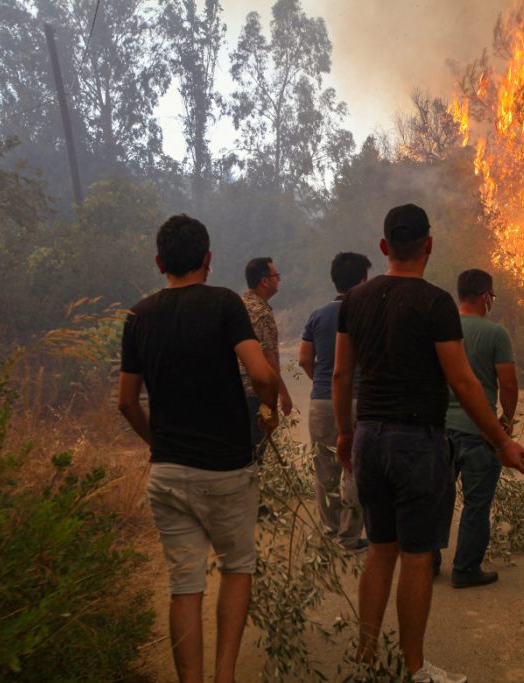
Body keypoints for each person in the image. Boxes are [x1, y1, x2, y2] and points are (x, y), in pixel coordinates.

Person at [333, 203, 524, 683]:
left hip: (369, 437)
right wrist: (501, 440)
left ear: (383, 247)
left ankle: (364, 660)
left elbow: (341, 373)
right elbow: (463, 383)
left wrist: (344, 433)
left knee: (381, 548)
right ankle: (414, 668)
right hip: (417, 441)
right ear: (428, 245)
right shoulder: (436, 302)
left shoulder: (354, 300)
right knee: (417, 557)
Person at [117, 214, 281, 683]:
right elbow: (265, 375)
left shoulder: (138, 316)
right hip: (226, 470)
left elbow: (127, 403)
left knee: (184, 585)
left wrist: (160, 444)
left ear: (158, 262)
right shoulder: (225, 304)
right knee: (236, 568)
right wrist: (267, 411)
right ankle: (224, 674)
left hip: (167, 473)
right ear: (208, 260)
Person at [439, 269, 518, 588]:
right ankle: (465, 569)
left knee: (437, 498)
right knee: (476, 503)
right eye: (492, 297)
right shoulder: (495, 334)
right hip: (479, 430)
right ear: (485, 295)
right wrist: (507, 420)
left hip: (439, 429)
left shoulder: (441, 330)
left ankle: (427, 562)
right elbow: (508, 383)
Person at [298, 252, 372, 551]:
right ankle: (349, 536)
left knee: (325, 468)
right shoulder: (368, 313)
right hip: (358, 400)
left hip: (321, 402)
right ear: (363, 280)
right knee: (355, 468)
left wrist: (322, 381)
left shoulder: (317, 315)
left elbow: (304, 358)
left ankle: (330, 530)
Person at [240, 257, 294, 452]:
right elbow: (267, 357)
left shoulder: (239, 305)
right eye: (276, 275)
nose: (278, 279)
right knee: (257, 457)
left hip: (235, 393)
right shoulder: (262, 312)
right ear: (265, 281)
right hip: (256, 394)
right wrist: (283, 394)